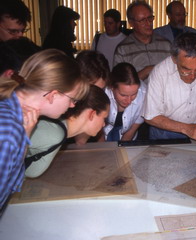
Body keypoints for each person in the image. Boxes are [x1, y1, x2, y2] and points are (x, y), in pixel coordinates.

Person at [0, 49, 89, 211]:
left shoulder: (19, 121)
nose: (72, 106)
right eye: (72, 99)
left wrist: (25, 135)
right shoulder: (9, 131)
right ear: (52, 95)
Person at [143, 32, 196, 143]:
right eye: (186, 70)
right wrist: (186, 128)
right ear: (174, 59)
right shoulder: (160, 72)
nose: (193, 76)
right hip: (164, 133)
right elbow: (150, 116)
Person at [25, 85, 110, 178]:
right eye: (104, 118)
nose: (103, 124)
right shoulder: (53, 134)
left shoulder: (58, 130)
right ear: (92, 114)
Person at [113, 1, 171, 81]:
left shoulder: (166, 45)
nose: (148, 23)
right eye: (142, 20)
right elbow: (119, 83)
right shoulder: (123, 50)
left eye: (150, 18)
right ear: (131, 23)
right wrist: (146, 71)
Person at [104, 62, 146, 141]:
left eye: (134, 94)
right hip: (101, 133)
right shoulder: (102, 93)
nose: (129, 100)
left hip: (129, 136)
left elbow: (131, 131)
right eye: (123, 95)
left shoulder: (144, 94)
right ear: (112, 87)